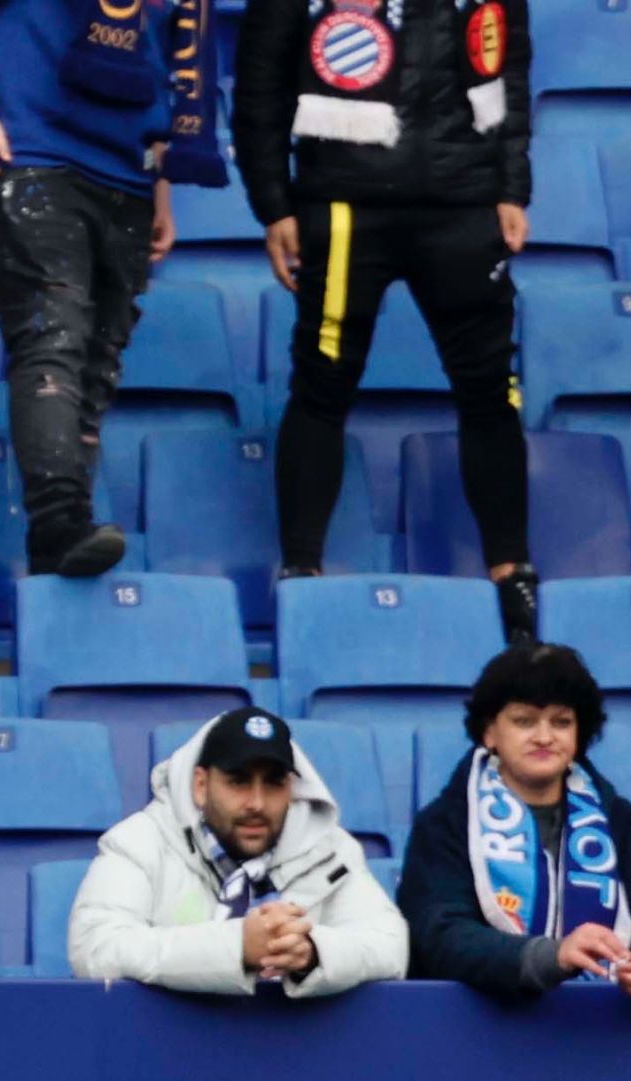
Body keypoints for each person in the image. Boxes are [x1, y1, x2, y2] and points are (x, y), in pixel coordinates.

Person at [234, 0, 537, 642]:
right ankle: (301, 576)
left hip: (463, 206)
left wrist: (511, 188)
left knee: (489, 393)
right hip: (344, 205)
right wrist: (272, 205)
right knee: (322, 387)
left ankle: (514, 580)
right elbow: (259, 86)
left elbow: (508, 69)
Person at [0, 0, 183, 577]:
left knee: (99, 364)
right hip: (33, 152)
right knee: (54, 336)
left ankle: (62, 541)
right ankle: (57, 523)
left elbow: (171, 57)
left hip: (129, 173)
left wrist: (162, 185)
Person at [69, 706, 407, 995]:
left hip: (293, 1055)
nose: (257, 804)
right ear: (200, 785)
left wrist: (312, 951)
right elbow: (96, 948)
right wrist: (237, 948)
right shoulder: (140, 841)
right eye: (238, 781)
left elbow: (390, 946)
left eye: (274, 783)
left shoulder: (331, 849)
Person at [398, 644, 631, 997]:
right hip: (479, 1033)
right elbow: (441, 937)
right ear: (489, 733)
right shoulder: (444, 824)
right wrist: (549, 956)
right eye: (524, 721)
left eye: (561, 722)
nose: (544, 737)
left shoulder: (624, 823)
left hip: (601, 1036)